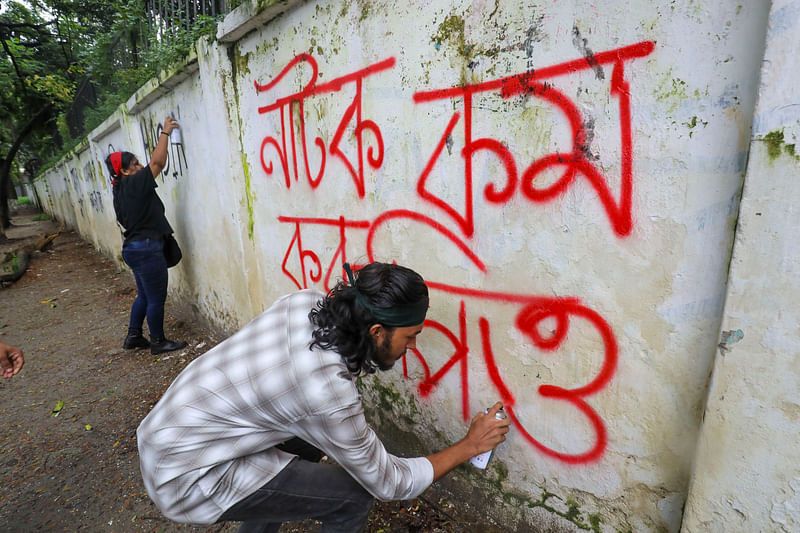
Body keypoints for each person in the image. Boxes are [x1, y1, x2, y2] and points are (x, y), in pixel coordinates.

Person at [137, 262, 511, 532]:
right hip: (188, 477)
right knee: (353, 498)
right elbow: (390, 484)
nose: (412, 347)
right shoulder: (326, 393)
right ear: (377, 331)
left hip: (165, 435)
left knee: (305, 443)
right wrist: (469, 445)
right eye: (410, 336)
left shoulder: (304, 301)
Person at [104, 116, 187, 356]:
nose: (140, 167)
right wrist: (165, 133)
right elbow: (158, 163)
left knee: (144, 294)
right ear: (124, 170)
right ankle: (158, 341)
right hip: (147, 249)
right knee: (155, 298)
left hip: (134, 248)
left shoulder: (119, 189)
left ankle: (133, 336)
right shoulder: (132, 183)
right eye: (135, 164)